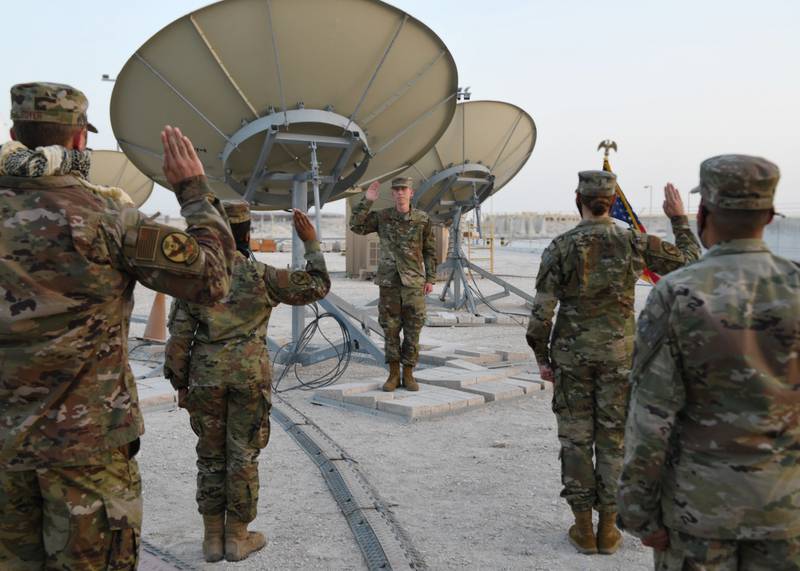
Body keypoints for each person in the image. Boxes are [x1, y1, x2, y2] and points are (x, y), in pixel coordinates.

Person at [0, 82, 236, 570]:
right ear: (79, 140)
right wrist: (192, 190)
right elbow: (213, 279)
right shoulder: (111, 218)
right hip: (86, 451)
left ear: (14, 135)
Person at [618, 155, 800, 570]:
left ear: (702, 214)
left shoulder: (677, 294)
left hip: (697, 515)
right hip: (786, 513)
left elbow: (650, 416)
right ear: (769, 215)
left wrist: (639, 511)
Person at [525, 170, 701, 555]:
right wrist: (678, 220)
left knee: (575, 440)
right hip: (619, 359)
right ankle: (608, 529)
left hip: (571, 359)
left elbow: (541, 315)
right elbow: (691, 262)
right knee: (613, 441)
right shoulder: (633, 241)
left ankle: (582, 528)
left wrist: (542, 358)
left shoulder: (560, 247)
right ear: (611, 202)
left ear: (578, 201)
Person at [164, 201, 330, 562]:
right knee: (243, 455)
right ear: (247, 234)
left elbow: (179, 338)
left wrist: (180, 384)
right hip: (249, 379)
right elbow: (318, 285)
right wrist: (311, 242)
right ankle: (237, 537)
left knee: (210, 455)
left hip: (205, 379)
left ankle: (212, 539)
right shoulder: (262, 276)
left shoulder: (196, 279)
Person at [349, 177, 436, 391]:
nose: (400, 193)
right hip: (389, 283)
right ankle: (394, 374)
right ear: (392, 193)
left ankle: (409, 373)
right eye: (396, 190)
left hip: (413, 284)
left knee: (413, 328)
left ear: (411, 193)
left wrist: (430, 278)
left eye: (403, 189)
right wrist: (368, 200)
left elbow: (429, 250)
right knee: (390, 329)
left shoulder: (422, 219)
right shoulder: (383, 217)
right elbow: (356, 226)